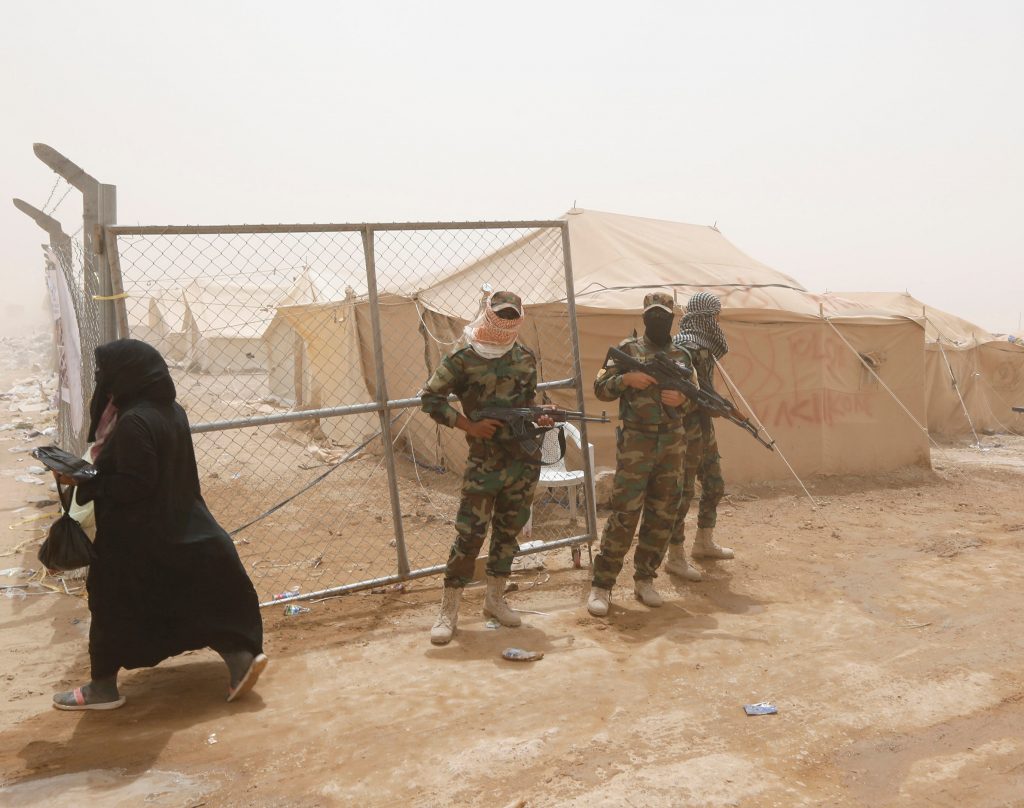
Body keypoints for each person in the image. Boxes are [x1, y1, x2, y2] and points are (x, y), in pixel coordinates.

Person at [51, 339, 266, 710]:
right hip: (187, 527)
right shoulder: (170, 411)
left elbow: (135, 485)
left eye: (105, 372)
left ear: (127, 375)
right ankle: (240, 660)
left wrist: (85, 481)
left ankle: (102, 688)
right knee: (202, 604)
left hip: (136, 538)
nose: (102, 379)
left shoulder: (133, 422)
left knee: (110, 606)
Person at [421, 291, 553, 645]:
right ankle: (449, 610)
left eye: (512, 316)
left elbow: (528, 402)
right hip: (485, 463)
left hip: (521, 461)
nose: (505, 322)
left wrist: (539, 416)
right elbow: (430, 399)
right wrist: (469, 425)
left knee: (508, 533)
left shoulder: (524, 357)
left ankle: (495, 600)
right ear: (488, 314)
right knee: (470, 535)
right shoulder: (463, 358)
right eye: (500, 315)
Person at [587, 292, 695, 616]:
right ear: (644, 316)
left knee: (663, 514)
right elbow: (600, 389)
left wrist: (683, 401)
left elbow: (696, 397)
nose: (658, 319)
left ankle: (645, 579)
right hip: (637, 443)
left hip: (672, 444)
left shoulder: (682, 355)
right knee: (625, 514)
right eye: (653, 314)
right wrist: (626, 379)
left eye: (664, 315)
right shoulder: (627, 350)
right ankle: (602, 584)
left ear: (673, 318)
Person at [663, 291, 733, 583]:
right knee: (683, 493)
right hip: (685, 431)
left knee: (714, 484)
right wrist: (709, 404)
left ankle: (704, 542)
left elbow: (704, 389)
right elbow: (680, 395)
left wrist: (718, 404)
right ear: (705, 317)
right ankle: (675, 555)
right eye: (715, 316)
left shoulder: (703, 348)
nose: (718, 321)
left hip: (704, 428)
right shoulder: (686, 348)